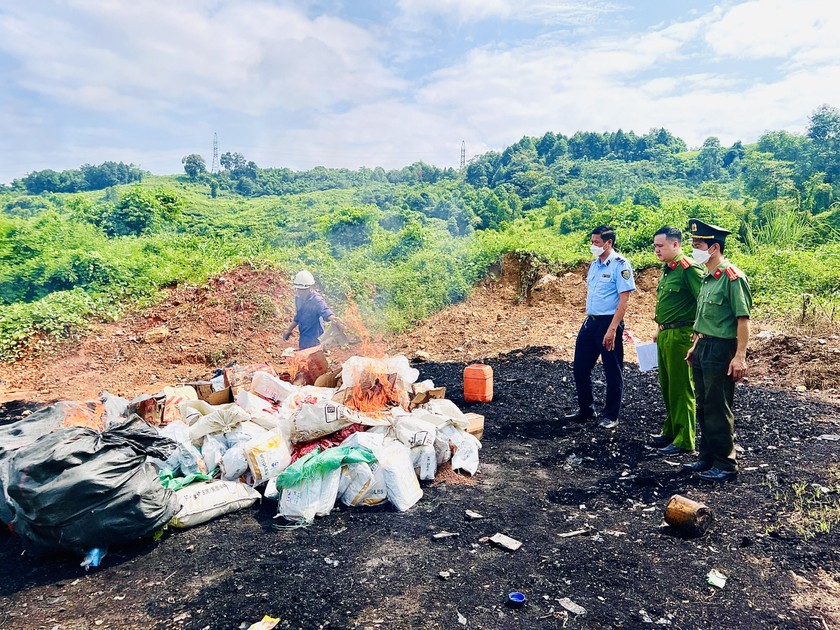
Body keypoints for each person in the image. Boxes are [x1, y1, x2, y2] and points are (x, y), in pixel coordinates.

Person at [683, 219, 752, 482]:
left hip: (722, 349)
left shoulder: (731, 277)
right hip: (704, 347)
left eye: (698, 245)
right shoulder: (707, 278)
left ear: (713, 248)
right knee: (703, 404)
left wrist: (740, 356)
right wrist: (696, 346)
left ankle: (725, 464)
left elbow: (742, 320)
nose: (694, 249)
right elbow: (705, 318)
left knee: (718, 406)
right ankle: (707, 457)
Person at [565, 225, 636, 429]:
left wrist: (613, 329)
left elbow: (623, 302)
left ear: (609, 243)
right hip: (591, 322)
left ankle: (611, 415)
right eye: (592, 241)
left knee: (612, 370)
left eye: (596, 242)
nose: (593, 245)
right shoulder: (594, 265)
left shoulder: (620, 265)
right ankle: (586, 409)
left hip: (609, 323)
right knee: (580, 367)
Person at [651, 226, 704, 455]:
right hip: (665, 334)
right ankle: (671, 431)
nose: (657, 250)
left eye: (661, 246)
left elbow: (704, 301)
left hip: (681, 335)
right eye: (655, 246)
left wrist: (699, 333)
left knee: (681, 388)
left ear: (675, 244)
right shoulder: (668, 269)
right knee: (668, 386)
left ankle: (684, 439)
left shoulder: (687, 269)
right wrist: (658, 329)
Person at [282, 270, 341, 350]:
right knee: (303, 359)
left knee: (314, 359)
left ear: (310, 287)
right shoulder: (298, 299)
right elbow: (298, 317)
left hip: (315, 339)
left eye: (303, 290)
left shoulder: (317, 300)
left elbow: (325, 310)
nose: (301, 292)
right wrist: (288, 330)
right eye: (299, 289)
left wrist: (332, 317)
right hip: (304, 338)